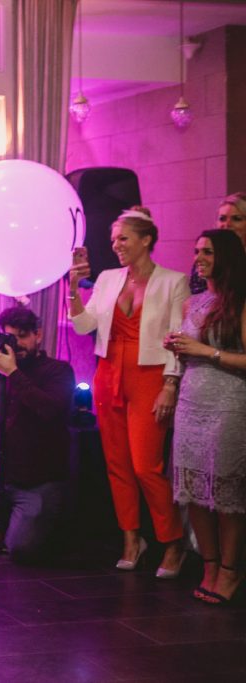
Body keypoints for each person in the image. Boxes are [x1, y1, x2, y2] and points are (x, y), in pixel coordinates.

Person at [69, 206, 188, 577]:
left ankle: (173, 542)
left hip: (149, 375)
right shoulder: (107, 278)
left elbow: (177, 338)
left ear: (146, 239)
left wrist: (170, 383)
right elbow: (84, 325)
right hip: (108, 373)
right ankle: (131, 539)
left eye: (123, 238)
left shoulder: (173, 281)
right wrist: (72, 288)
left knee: (146, 466)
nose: (116, 245)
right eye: (113, 240)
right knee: (117, 465)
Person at [165, 230, 246, 605]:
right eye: (196, 250)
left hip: (229, 401)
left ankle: (230, 571)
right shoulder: (193, 303)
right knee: (194, 491)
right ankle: (209, 565)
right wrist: (179, 349)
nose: (199, 257)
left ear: (226, 257)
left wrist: (204, 350)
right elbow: (190, 351)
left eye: (208, 251)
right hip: (192, 401)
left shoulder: (240, 303)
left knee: (226, 491)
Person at [0, 306, 74, 563]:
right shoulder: (2, 373)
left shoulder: (57, 371)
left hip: (41, 480)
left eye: (23, 336)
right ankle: (12, 519)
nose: (17, 344)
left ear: (38, 335)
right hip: (3, 477)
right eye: (11, 337)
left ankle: (32, 521)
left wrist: (13, 372)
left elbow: (48, 409)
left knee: (21, 549)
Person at [189, 192, 246, 293]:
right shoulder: (204, 258)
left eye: (236, 219)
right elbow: (196, 294)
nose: (227, 224)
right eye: (222, 219)